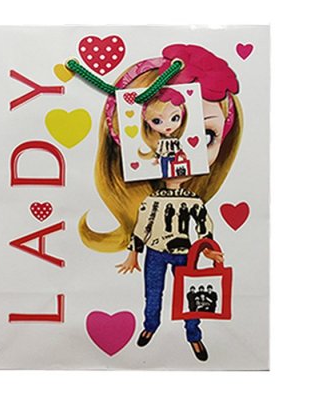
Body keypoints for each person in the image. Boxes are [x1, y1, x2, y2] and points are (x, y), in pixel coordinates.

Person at [79, 44, 243, 362]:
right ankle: (150, 325)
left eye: (206, 136)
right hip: (154, 252)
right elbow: (143, 227)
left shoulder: (192, 201)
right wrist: (133, 254)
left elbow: (203, 225)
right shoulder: (152, 201)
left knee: (190, 295)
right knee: (153, 293)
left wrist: (209, 248)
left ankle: (193, 334)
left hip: (185, 252)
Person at [138, 88, 187, 178]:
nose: (167, 125)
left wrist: (182, 154)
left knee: (174, 169)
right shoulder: (161, 142)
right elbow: (159, 150)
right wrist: (156, 158)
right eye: (157, 121)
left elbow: (179, 148)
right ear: (147, 122)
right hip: (164, 156)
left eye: (175, 118)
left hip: (174, 156)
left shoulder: (175, 141)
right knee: (164, 169)